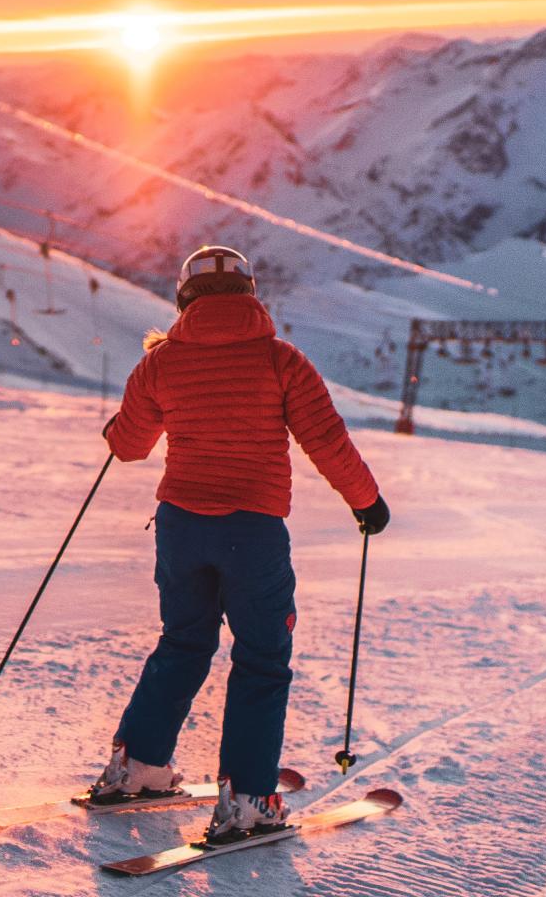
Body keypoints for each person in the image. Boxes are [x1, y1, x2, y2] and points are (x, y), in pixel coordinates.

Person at [92, 245, 390, 842]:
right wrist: (366, 501)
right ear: (250, 294)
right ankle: (249, 799)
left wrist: (115, 429)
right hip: (251, 532)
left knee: (182, 642)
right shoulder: (280, 360)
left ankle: (138, 768)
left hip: (181, 527)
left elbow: (127, 446)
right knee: (260, 659)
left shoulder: (162, 363)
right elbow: (326, 440)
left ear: (184, 299)